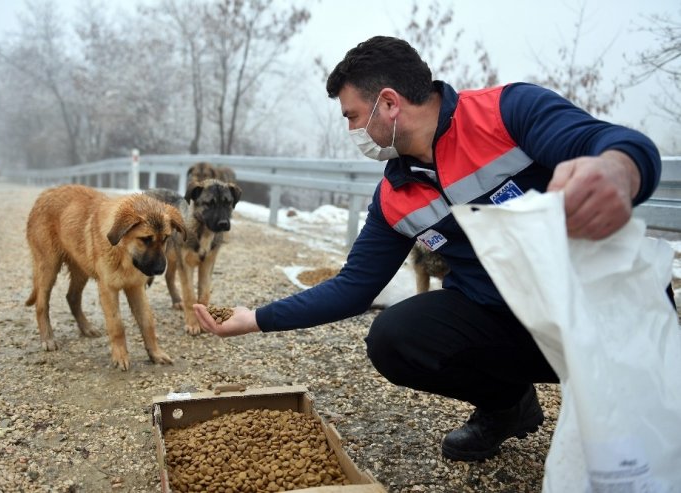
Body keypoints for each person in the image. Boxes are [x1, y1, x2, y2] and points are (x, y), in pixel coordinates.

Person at [193, 36, 662, 462]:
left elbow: (614, 143)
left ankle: (634, 395)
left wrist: (616, 171)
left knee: (640, 450)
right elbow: (355, 287)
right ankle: (507, 405)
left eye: (353, 116)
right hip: (513, 326)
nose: (354, 130)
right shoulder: (394, 195)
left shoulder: (506, 111)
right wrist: (255, 318)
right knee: (396, 338)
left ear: (389, 104)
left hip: (598, 309)